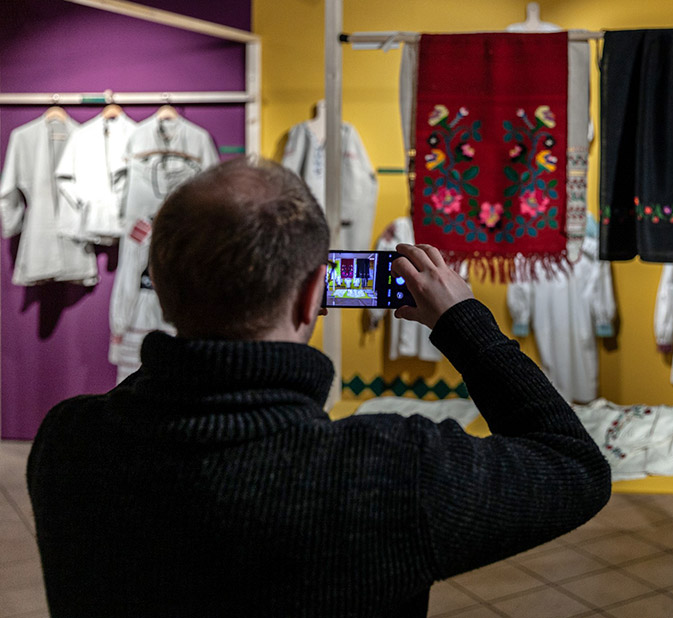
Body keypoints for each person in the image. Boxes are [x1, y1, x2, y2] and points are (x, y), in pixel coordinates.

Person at [27, 156, 611, 617]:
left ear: (161, 285)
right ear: (314, 295)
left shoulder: (69, 442)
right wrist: (464, 323)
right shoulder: (391, 471)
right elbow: (575, 465)